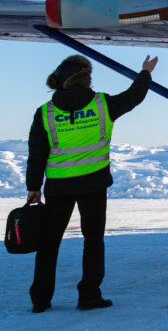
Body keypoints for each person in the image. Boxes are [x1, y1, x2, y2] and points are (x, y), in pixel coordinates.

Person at [25, 53, 157, 313]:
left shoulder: (45, 113)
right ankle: (89, 296)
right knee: (93, 240)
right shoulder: (102, 105)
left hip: (58, 188)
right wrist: (145, 73)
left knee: (49, 243)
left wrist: (33, 187)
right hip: (93, 186)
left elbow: (37, 154)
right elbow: (133, 97)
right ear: (86, 80)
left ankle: (40, 299)